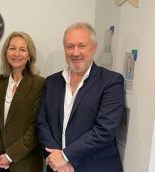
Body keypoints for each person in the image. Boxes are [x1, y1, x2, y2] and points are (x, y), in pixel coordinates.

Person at [36, 22, 125, 172]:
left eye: (81, 46)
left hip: (95, 167)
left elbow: (104, 130)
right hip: (56, 167)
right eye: (70, 46)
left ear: (94, 47)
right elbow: (41, 123)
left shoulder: (111, 81)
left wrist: (65, 156)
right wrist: (56, 159)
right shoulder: (51, 82)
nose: (75, 52)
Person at [0, 31, 44, 172]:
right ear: (6, 52)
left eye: (22, 49)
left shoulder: (40, 84)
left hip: (25, 165)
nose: (16, 53)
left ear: (30, 55)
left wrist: (10, 155)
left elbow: (37, 127)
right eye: (12, 48)